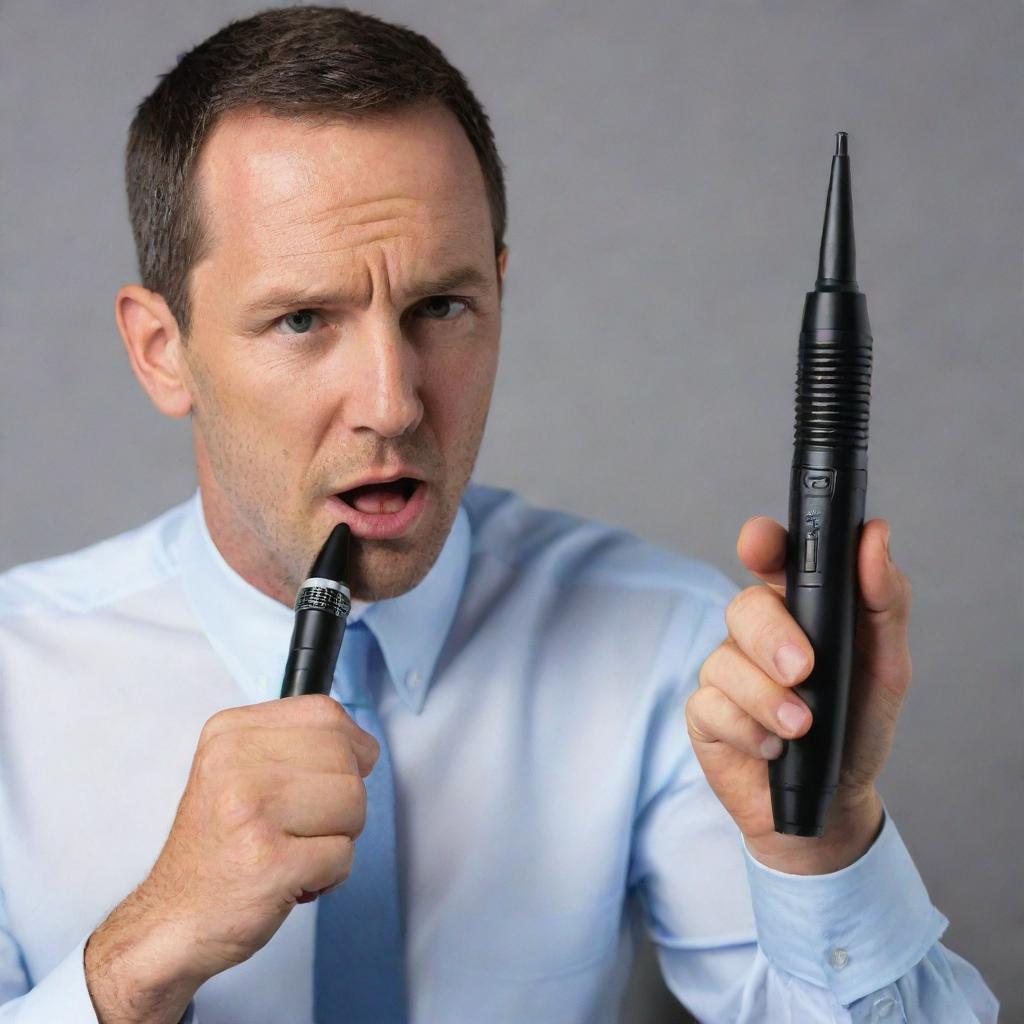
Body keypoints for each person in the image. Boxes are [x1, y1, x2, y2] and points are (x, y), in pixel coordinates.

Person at [0, 6, 999, 1023]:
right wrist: (136, 960)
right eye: (303, 319)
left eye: (440, 307)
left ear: (499, 295)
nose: (392, 403)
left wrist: (823, 849)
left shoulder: (676, 658)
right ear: (162, 349)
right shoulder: (12, 684)